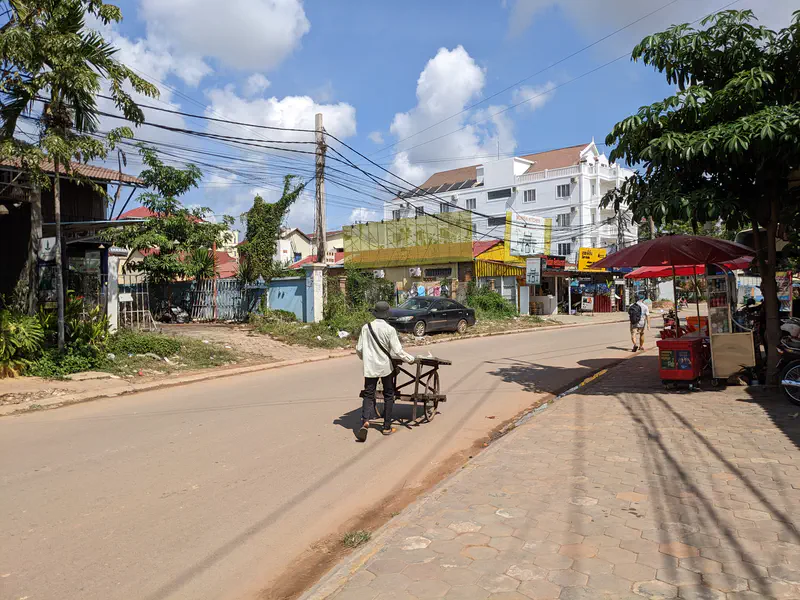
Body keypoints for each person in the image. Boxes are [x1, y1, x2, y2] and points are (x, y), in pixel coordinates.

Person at [355, 301, 416, 442]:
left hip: (370, 368)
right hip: (385, 368)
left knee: (368, 394)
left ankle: (365, 421)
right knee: (389, 394)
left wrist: (367, 360)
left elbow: (359, 349)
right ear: (387, 314)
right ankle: (387, 426)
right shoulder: (389, 330)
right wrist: (410, 359)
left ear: (375, 313)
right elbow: (398, 351)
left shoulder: (366, 328)